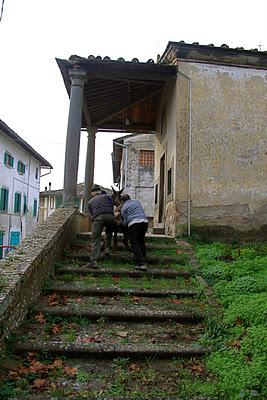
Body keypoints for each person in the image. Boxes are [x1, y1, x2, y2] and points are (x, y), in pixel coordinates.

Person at [87, 185, 114, 268]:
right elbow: (112, 206)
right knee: (109, 233)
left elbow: (92, 214)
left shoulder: (90, 201)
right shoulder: (108, 197)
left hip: (98, 217)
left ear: (93, 194)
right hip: (110, 216)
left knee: (95, 238)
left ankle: (94, 260)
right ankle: (107, 249)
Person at [120, 194, 148, 270]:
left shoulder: (123, 208)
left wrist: (120, 222)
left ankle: (142, 263)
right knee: (141, 241)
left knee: (134, 243)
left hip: (134, 224)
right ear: (129, 198)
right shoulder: (137, 202)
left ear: (122, 201)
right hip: (144, 221)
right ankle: (144, 259)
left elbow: (125, 222)